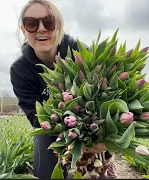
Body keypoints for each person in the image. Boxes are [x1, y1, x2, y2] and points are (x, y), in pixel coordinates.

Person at [10, 0, 113, 178]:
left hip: (92, 122)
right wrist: (72, 138)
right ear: (24, 30)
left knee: (99, 170)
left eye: (49, 22)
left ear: (59, 26)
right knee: (47, 172)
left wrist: (104, 139)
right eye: (32, 23)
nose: (41, 29)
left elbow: (108, 96)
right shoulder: (20, 70)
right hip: (53, 126)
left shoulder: (81, 54)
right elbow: (36, 119)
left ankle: (102, 162)